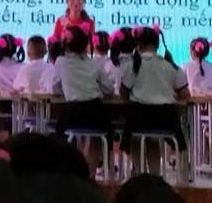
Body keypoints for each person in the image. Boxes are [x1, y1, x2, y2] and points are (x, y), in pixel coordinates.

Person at [119, 26, 189, 172]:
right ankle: (155, 176)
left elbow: (123, 91)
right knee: (153, 140)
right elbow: (185, 93)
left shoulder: (133, 65)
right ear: (158, 45)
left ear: (138, 45)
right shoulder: (169, 65)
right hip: (166, 118)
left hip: (138, 118)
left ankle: (140, 174)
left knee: (135, 140)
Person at [51, 23, 113, 172]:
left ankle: (71, 172)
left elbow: (55, 87)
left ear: (65, 44)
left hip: (72, 111)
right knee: (98, 137)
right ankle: (91, 173)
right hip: (95, 110)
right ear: (86, 44)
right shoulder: (94, 64)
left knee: (64, 136)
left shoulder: (61, 62)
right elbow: (109, 89)